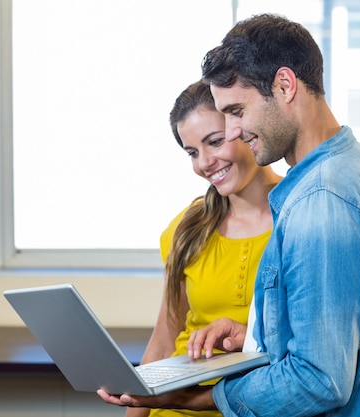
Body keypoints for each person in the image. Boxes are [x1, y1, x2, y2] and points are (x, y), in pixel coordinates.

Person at [99, 13, 360, 416]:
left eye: (237, 111)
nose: (232, 132)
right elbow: (336, 337)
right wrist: (256, 338)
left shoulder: (321, 201)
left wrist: (201, 397)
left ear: (285, 85)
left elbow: (319, 380)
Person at [125, 80, 281, 417]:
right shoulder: (187, 228)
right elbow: (166, 339)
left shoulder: (300, 218)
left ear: (245, 127)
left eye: (214, 141)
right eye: (192, 152)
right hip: (173, 408)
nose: (205, 163)